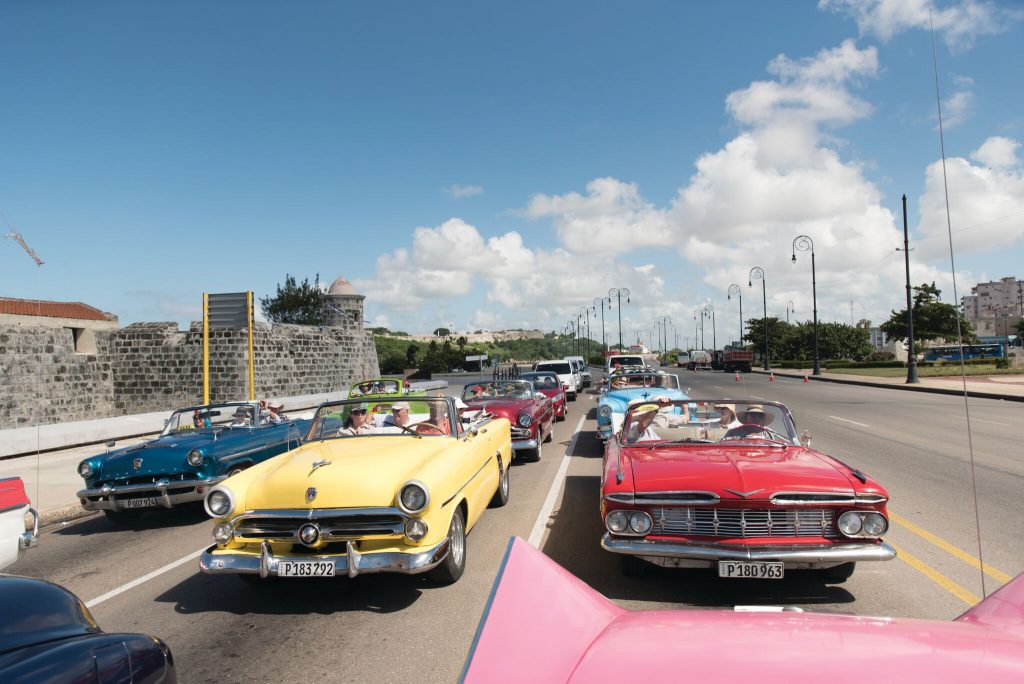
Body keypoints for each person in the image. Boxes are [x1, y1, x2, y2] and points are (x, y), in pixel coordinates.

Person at [623, 398, 690, 443]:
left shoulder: (648, 428)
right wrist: (657, 406)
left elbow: (658, 441)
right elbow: (643, 424)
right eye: (643, 413)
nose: (645, 414)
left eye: (646, 412)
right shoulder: (631, 427)